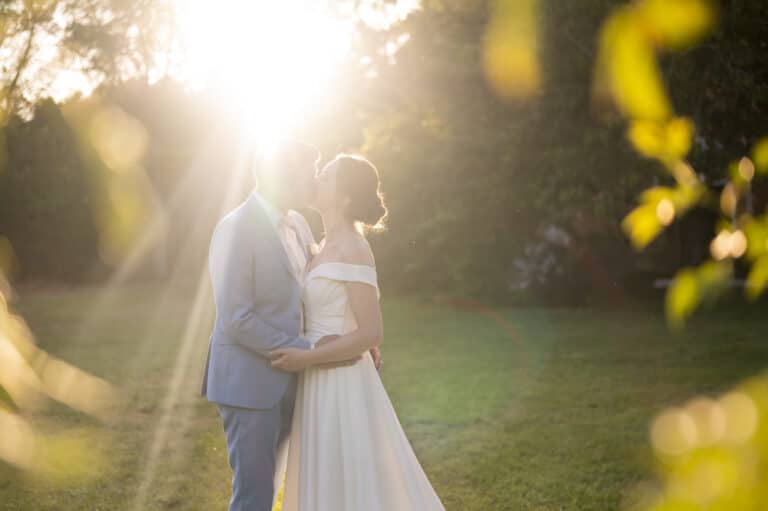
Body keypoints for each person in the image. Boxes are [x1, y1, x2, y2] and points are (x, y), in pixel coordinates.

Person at [201, 142, 380, 511]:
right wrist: (308, 350)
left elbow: (317, 287)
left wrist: (353, 335)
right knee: (254, 497)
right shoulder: (235, 228)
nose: (314, 179)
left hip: (296, 383)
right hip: (248, 384)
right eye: (309, 170)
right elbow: (236, 317)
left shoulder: (298, 223)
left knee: (295, 486)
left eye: (319, 170)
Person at [270, 154, 445, 510]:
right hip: (316, 385)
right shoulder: (318, 246)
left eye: (327, 175)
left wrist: (308, 357)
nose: (316, 178)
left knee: (354, 485)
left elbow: (371, 333)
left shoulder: (354, 247)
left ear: (345, 197)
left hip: (342, 385)